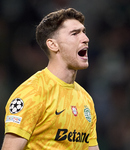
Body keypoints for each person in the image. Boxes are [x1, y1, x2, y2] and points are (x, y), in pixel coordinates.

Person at [1, 8, 100, 150]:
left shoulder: (86, 100)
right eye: (74, 33)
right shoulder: (32, 92)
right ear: (53, 45)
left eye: (83, 32)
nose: (85, 39)